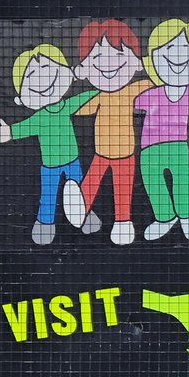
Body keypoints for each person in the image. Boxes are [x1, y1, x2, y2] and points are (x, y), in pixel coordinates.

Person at [0, 44, 94, 245]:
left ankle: (86, 217)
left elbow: (83, 98)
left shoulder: (65, 106)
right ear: (20, 98)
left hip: (73, 162)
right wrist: (8, 133)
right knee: (48, 196)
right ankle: (45, 224)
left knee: (80, 192)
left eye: (47, 70)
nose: (42, 79)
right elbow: (23, 128)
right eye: (32, 75)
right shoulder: (39, 118)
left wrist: (98, 90)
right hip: (50, 167)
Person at [67, 19, 152, 245]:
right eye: (97, 58)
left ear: (136, 63)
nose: (108, 64)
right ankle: (80, 206)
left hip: (126, 154)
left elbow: (151, 84)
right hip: (101, 153)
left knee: (123, 189)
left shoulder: (133, 90)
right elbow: (77, 109)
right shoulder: (97, 97)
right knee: (91, 181)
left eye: (118, 56)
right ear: (84, 67)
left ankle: (123, 222)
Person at [135, 18, 189, 241]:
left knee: (183, 179)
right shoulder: (151, 93)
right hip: (149, 148)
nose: (179, 57)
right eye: (169, 48)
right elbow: (132, 106)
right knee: (153, 181)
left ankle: (187, 215)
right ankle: (164, 216)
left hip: (178, 146)